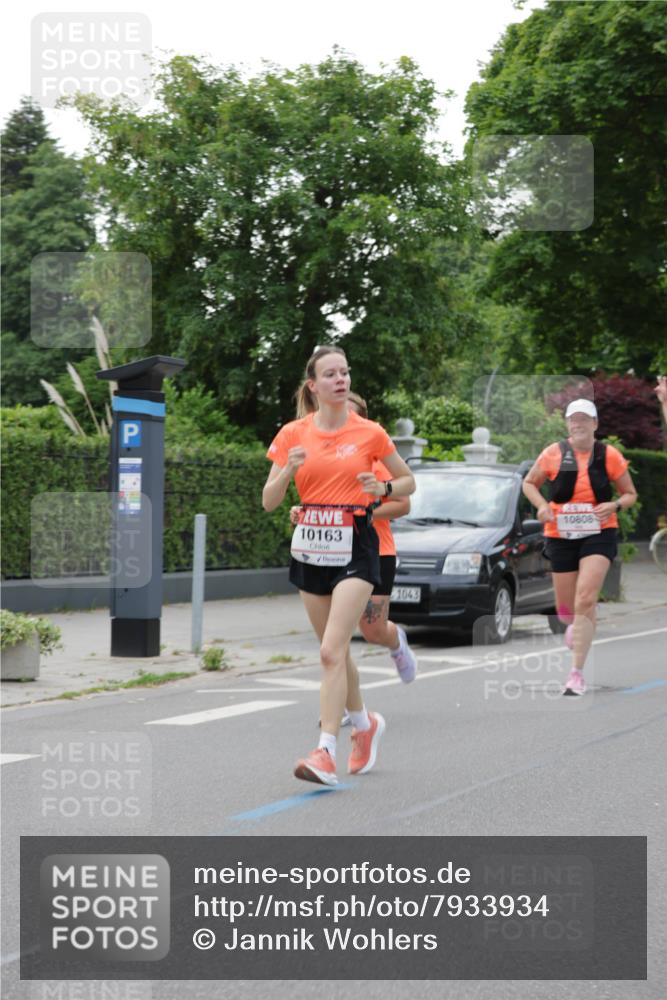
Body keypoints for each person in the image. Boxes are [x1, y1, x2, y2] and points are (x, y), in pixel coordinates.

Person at [262, 346, 416, 783]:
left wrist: (382, 487)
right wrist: (285, 473)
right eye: (331, 374)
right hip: (311, 547)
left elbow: (409, 482)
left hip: (358, 545)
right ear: (313, 385)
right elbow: (269, 501)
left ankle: (325, 751)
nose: (341, 380)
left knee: (331, 650)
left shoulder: (370, 432)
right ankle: (365, 727)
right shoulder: (293, 433)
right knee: (336, 652)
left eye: (345, 372)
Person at [291, 392, 418, 726]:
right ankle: (347, 709)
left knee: (372, 629)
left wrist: (363, 510)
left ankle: (395, 642)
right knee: (336, 639)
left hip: (376, 549)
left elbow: (404, 503)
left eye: (350, 412)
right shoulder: (320, 452)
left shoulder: (375, 456)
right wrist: (305, 514)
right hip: (329, 553)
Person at [522, 398, 638, 695]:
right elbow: (529, 484)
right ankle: (574, 623)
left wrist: (613, 505)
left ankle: (576, 673)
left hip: (598, 532)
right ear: (568, 425)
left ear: (595, 424)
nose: (579, 424)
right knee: (565, 612)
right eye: (574, 419)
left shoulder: (608, 455)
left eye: (585, 419)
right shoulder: (552, 453)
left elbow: (629, 494)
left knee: (586, 597)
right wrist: (541, 506)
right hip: (560, 534)